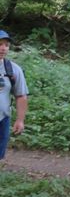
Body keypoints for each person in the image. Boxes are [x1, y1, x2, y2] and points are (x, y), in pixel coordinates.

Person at [0, 30, 28, 161]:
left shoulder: (13, 69)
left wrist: (20, 120)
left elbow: (21, 96)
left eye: (6, 45)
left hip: (3, 119)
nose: (3, 48)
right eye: (0, 44)